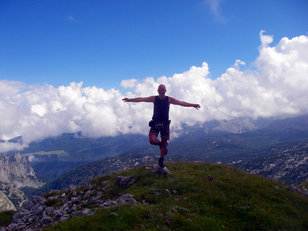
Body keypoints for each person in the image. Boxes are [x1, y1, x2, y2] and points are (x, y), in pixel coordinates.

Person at [122, 84, 200, 168]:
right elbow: (141, 99)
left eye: (162, 90)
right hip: (155, 123)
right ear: (157, 91)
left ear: (165, 91)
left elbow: (181, 103)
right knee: (152, 140)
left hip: (165, 123)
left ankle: (161, 160)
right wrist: (129, 100)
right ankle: (160, 145)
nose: (161, 91)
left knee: (164, 142)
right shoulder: (154, 99)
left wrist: (193, 105)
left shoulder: (169, 99)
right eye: (160, 90)